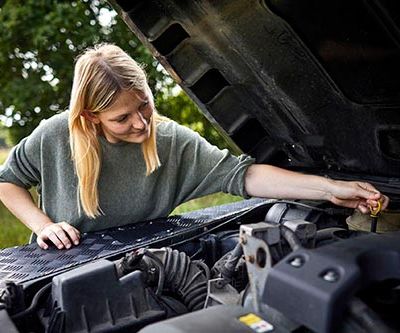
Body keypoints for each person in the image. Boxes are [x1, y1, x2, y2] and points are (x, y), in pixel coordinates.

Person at [0, 44, 389, 250]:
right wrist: (44, 226)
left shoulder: (170, 139)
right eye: (122, 118)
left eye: (144, 105)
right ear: (90, 117)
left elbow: (245, 175)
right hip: (63, 270)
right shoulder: (55, 135)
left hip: (147, 262)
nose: (141, 123)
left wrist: (332, 188)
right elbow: (7, 182)